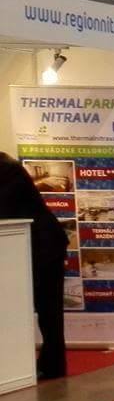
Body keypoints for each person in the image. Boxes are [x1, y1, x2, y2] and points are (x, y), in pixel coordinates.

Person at [0, 152, 69, 379]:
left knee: (48, 308)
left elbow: (5, 206)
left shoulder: (7, 168)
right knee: (45, 308)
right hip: (26, 246)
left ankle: (52, 365)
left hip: (43, 246)